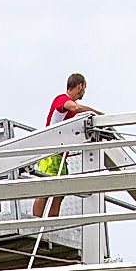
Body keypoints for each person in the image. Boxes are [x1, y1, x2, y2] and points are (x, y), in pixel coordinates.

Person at [32, 73, 102, 219]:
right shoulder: (62, 99)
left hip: (61, 154)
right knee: (45, 189)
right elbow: (75, 108)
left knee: (60, 192)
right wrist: (98, 114)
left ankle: (52, 222)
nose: (84, 91)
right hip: (50, 153)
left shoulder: (69, 109)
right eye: (84, 88)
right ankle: (35, 222)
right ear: (80, 86)